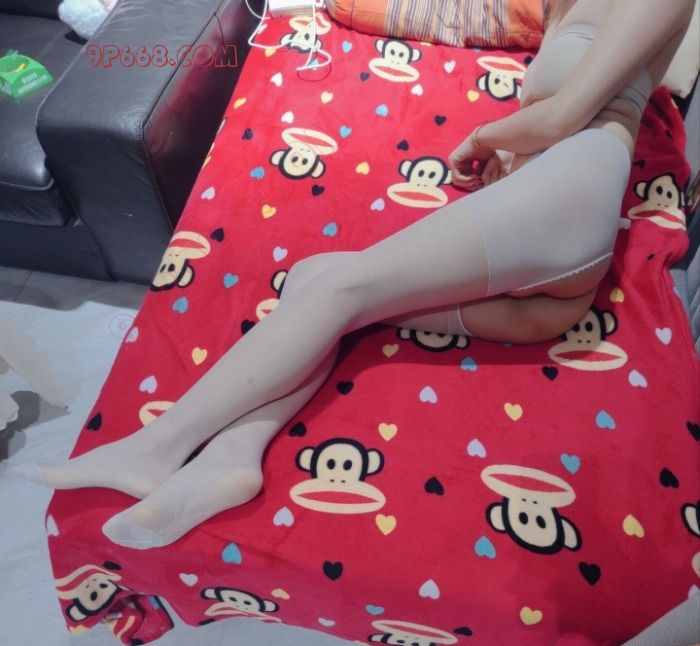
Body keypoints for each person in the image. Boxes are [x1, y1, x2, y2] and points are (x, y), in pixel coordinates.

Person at [11, 0, 695, 549]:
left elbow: (563, 118)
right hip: (553, 276)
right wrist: (509, 162)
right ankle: (231, 459)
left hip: (566, 206)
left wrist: (483, 140)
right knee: (319, 279)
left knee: (343, 288)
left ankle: (159, 446)